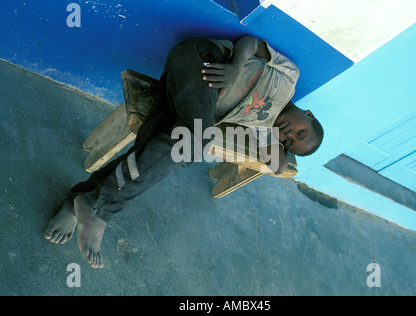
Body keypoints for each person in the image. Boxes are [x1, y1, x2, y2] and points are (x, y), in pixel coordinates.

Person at [43, 35, 324, 269]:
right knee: (194, 144)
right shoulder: (290, 77)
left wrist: (282, 145)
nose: (289, 134)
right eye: (301, 132)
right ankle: (100, 210)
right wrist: (236, 67)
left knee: (153, 152)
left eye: (290, 140)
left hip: (186, 98)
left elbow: (277, 165)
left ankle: (79, 202)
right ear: (309, 114)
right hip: (203, 59)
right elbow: (251, 42)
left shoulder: (263, 127)